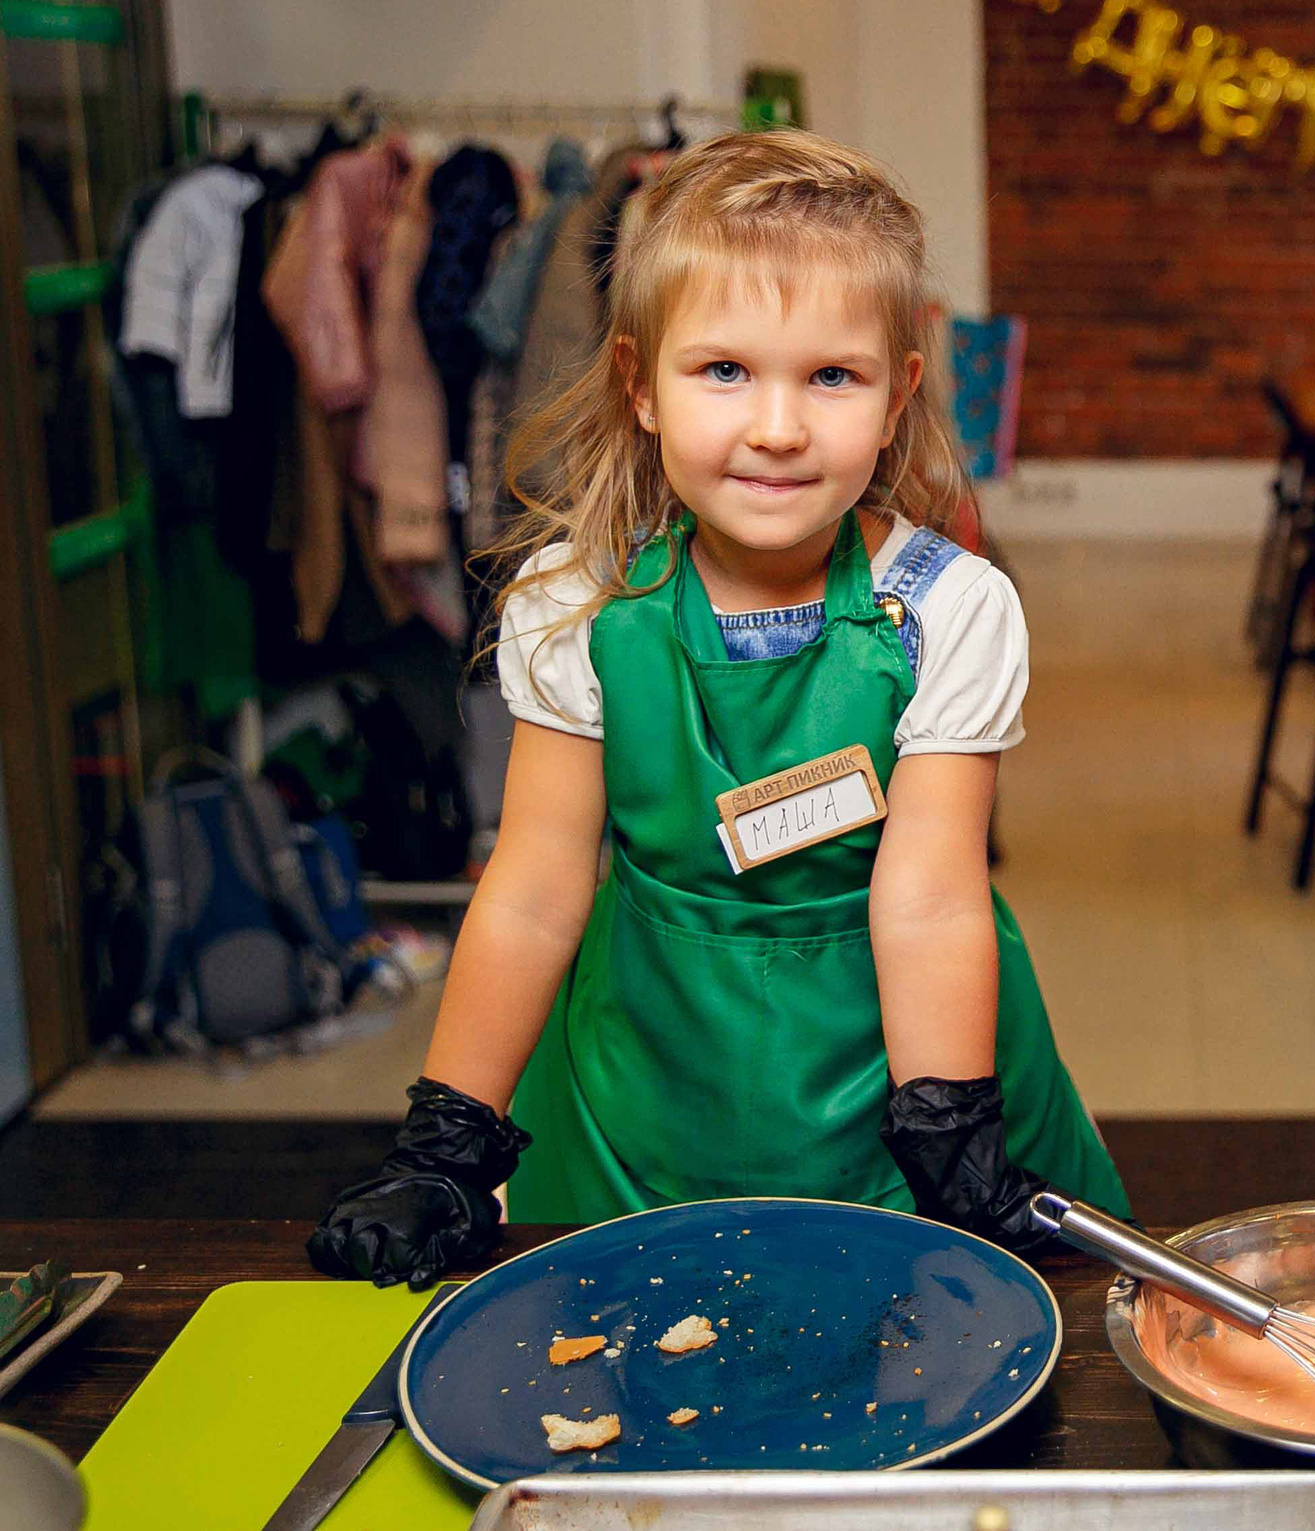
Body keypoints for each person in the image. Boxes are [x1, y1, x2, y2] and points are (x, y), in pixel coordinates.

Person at [308, 130, 1128, 1287]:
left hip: (908, 1077)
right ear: (640, 386)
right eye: (725, 371)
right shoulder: (575, 602)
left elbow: (933, 897)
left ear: (897, 395)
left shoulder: (950, 610)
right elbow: (538, 886)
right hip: (646, 1089)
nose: (778, 427)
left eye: (830, 377)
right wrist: (445, 1143)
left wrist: (947, 1127)